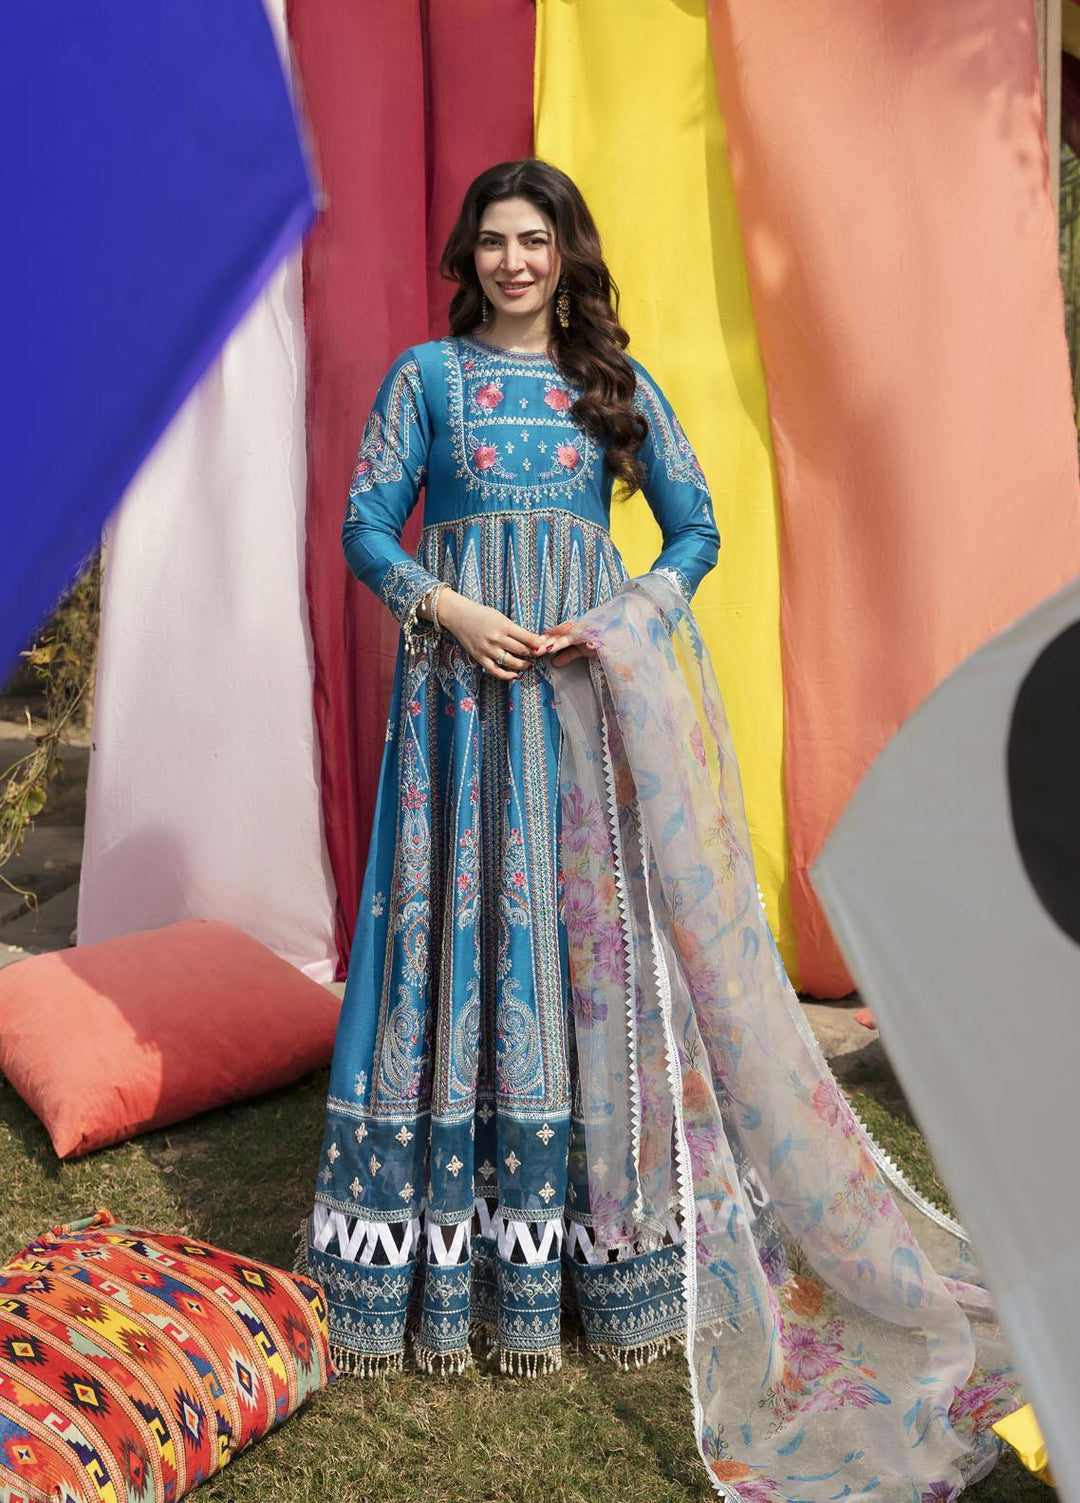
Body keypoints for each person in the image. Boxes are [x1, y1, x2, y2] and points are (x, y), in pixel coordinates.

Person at [302, 158, 1020, 1500]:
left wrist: (619, 618)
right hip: (457, 703)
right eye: (495, 240)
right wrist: (445, 607)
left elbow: (694, 532)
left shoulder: (611, 386)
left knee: (587, 957)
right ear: (467, 255)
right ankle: (442, 1254)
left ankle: (607, 1254)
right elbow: (362, 527)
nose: (516, 261)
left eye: (537, 239)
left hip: (581, 707)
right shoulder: (427, 380)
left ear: (567, 252)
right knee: (460, 936)